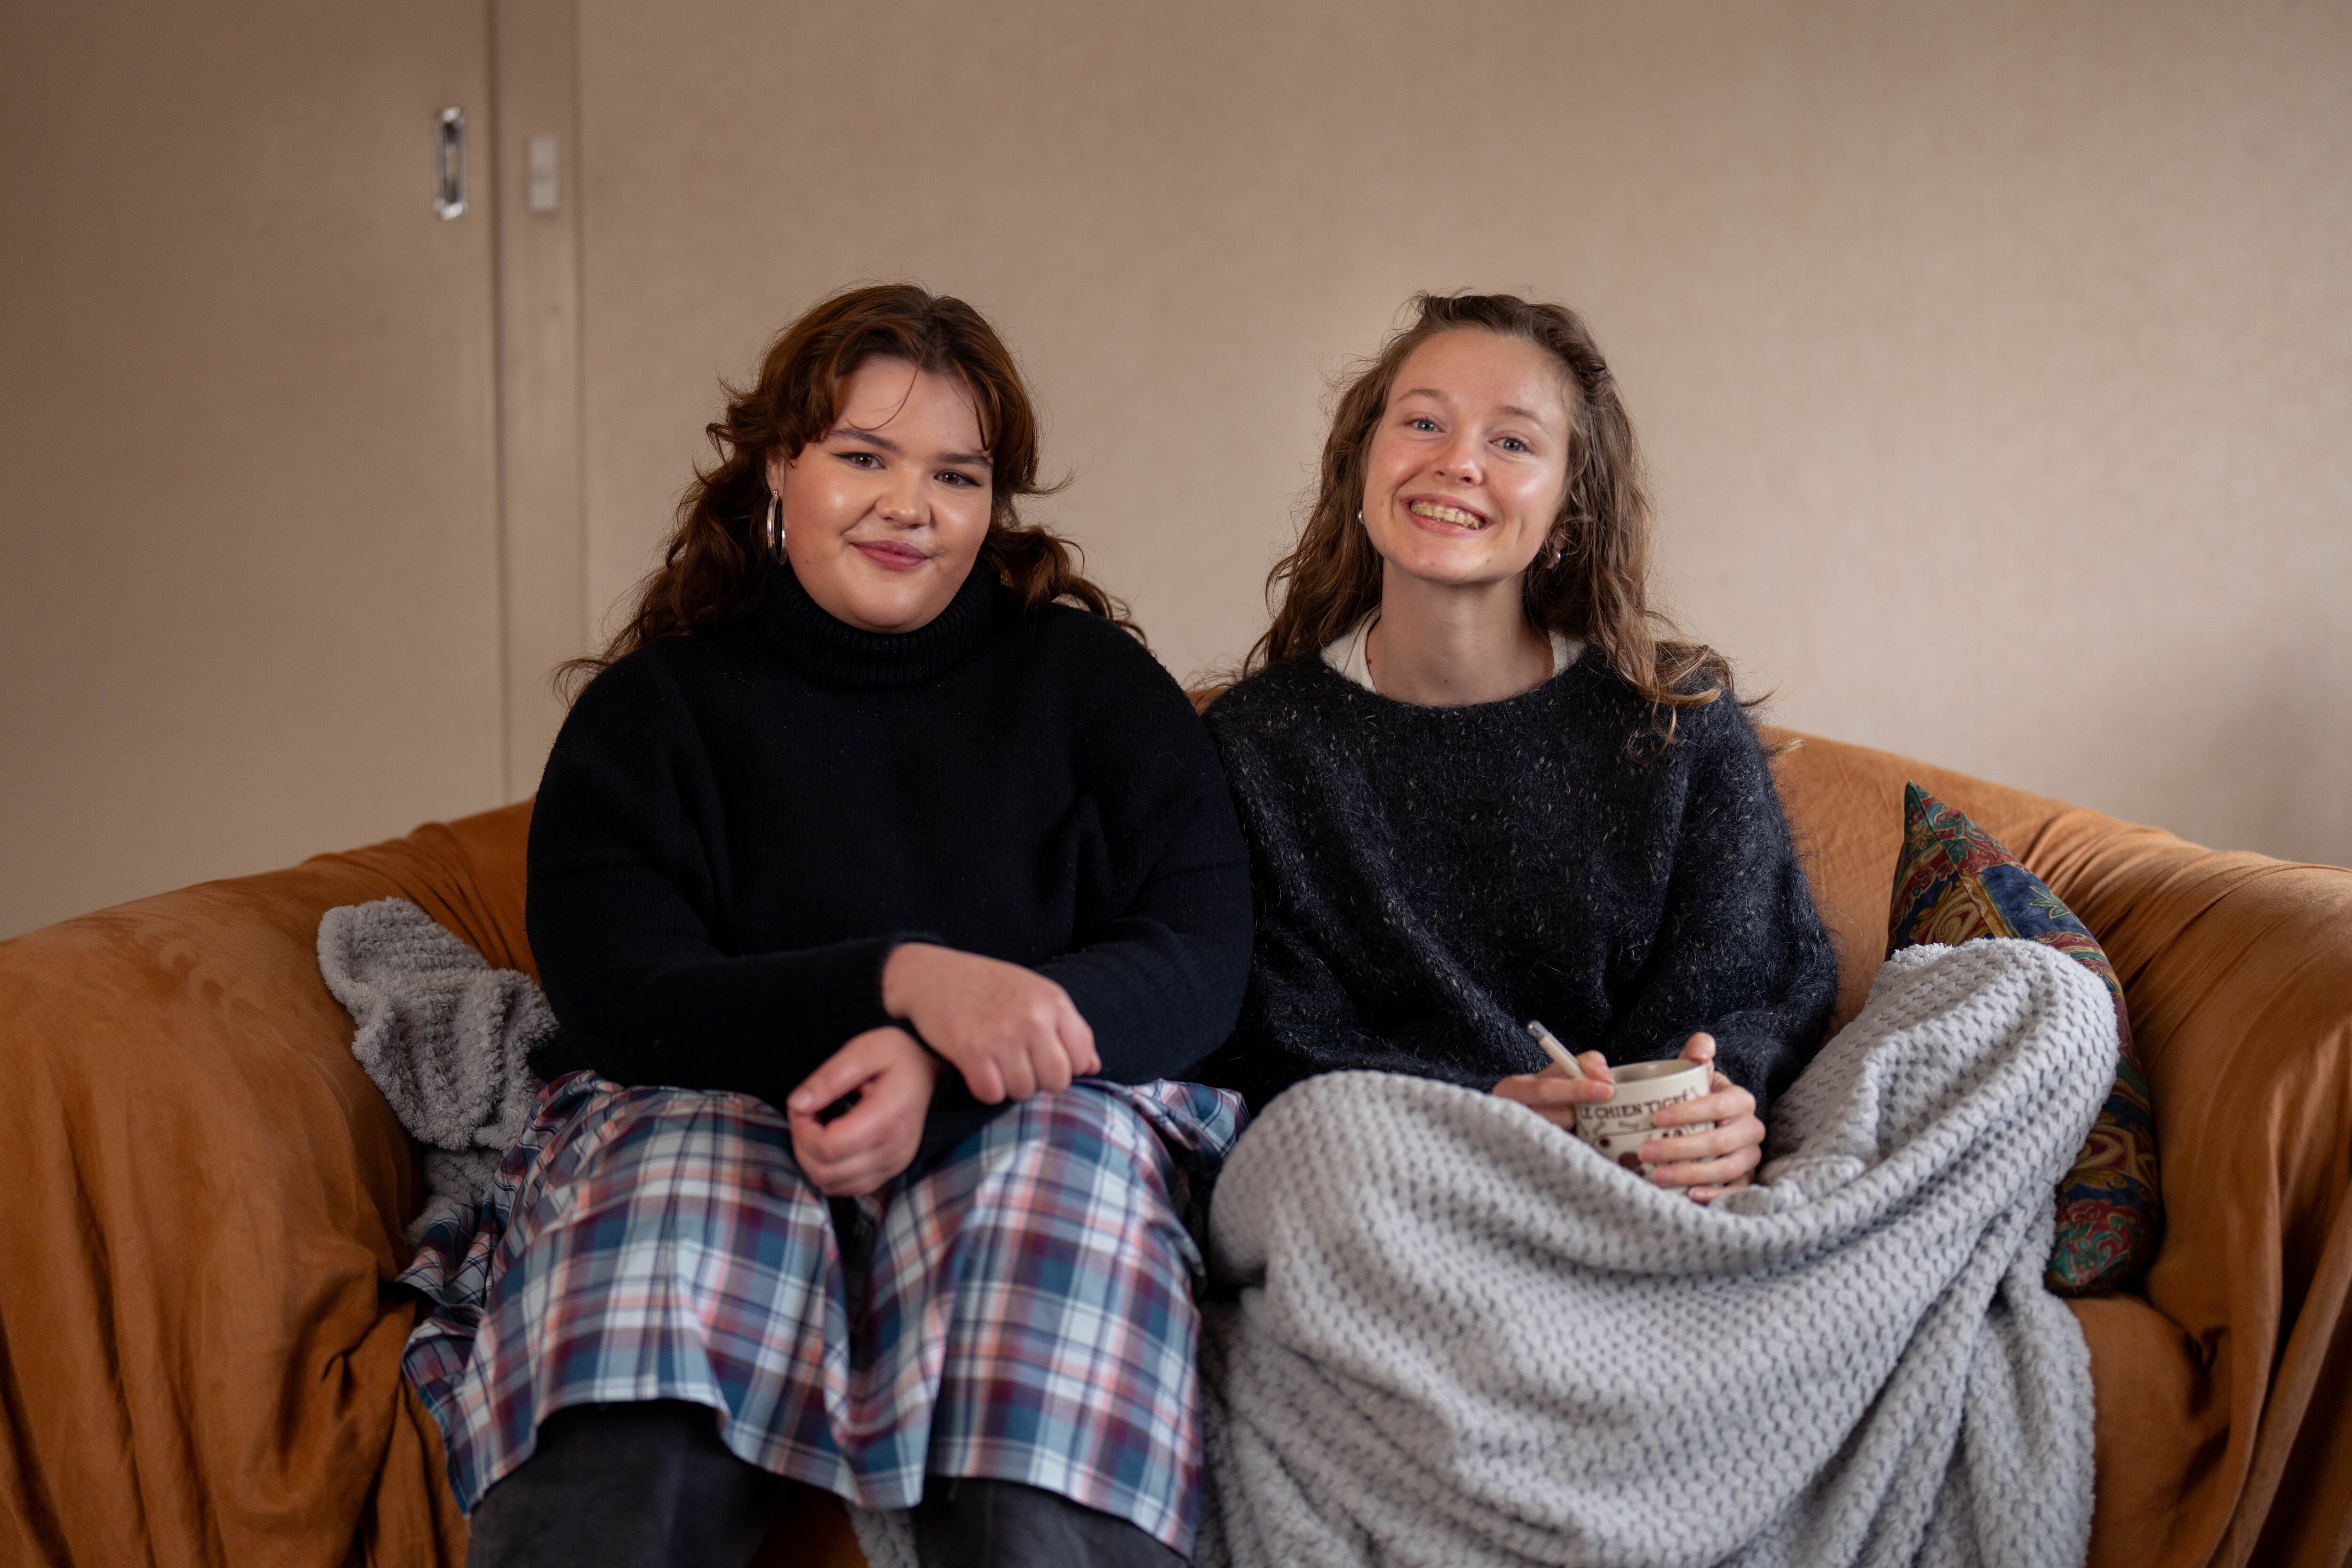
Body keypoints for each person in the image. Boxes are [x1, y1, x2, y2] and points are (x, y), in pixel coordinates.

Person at [412, 285, 1252, 1568]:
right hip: (718, 1108)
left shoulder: (1094, 690)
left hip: (1031, 1118)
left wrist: (944, 1060)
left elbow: (1200, 961)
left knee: (1063, 1169)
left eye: (955, 474)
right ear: (777, 467)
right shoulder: (656, 712)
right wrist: (903, 982)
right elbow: (623, 990)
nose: (908, 505)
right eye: (863, 455)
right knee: (671, 1177)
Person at [1198, 292, 1837, 1195]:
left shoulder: (1679, 722)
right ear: (1360, 470)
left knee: (2031, 1000)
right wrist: (1490, 1104)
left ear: (1568, 515)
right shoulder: (1257, 749)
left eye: (1512, 441)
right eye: (1424, 422)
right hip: (1407, 1175)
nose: (1457, 462)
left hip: (1648, 1179)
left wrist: (1719, 1104)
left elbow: (1755, 985)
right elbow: (1275, 1036)